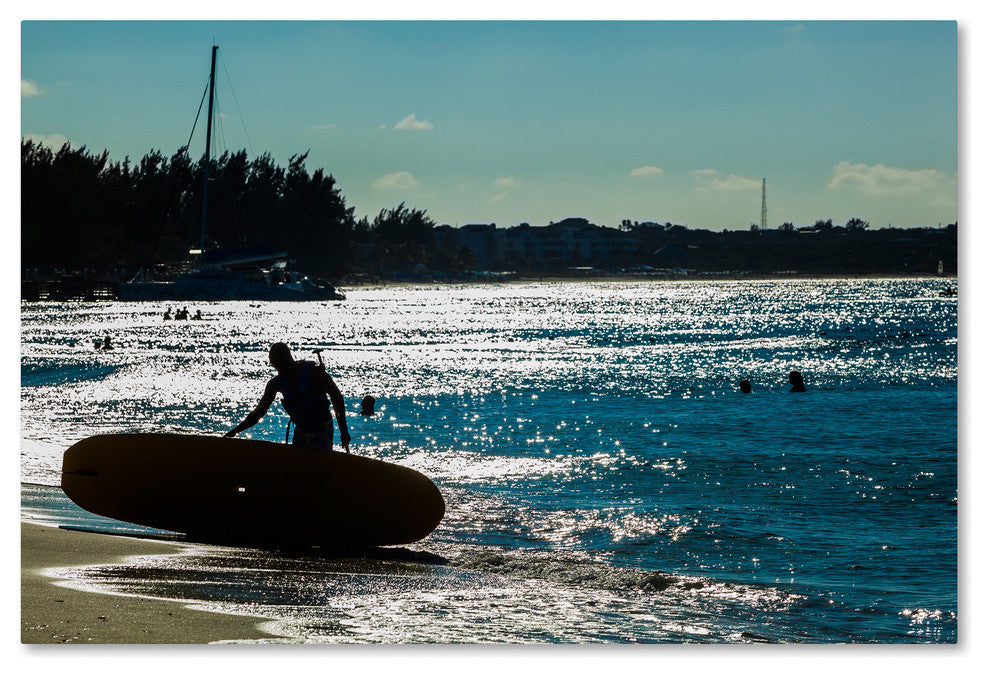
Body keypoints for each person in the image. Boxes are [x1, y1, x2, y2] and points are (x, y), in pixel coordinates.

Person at [225, 342, 351, 452]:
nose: (280, 369)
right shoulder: (276, 384)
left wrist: (344, 431)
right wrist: (234, 432)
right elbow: (258, 414)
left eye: (281, 363)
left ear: (289, 358)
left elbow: (337, 398)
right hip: (301, 431)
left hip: (322, 429)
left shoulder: (314, 372)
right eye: (276, 366)